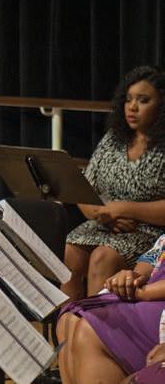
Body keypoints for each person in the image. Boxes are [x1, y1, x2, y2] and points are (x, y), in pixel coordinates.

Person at [63, 66, 165, 300]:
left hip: (148, 231)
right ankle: (67, 320)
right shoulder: (113, 139)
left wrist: (123, 208)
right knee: (71, 251)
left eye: (143, 100)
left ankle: (93, 321)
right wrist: (102, 214)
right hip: (105, 223)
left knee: (103, 257)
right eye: (128, 99)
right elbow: (83, 187)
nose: (132, 107)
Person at [57, 233, 165, 383]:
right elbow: (147, 265)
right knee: (70, 318)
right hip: (151, 293)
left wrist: (143, 292)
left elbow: (145, 291)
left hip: (158, 302)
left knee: (92, 326)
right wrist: (130, 277)